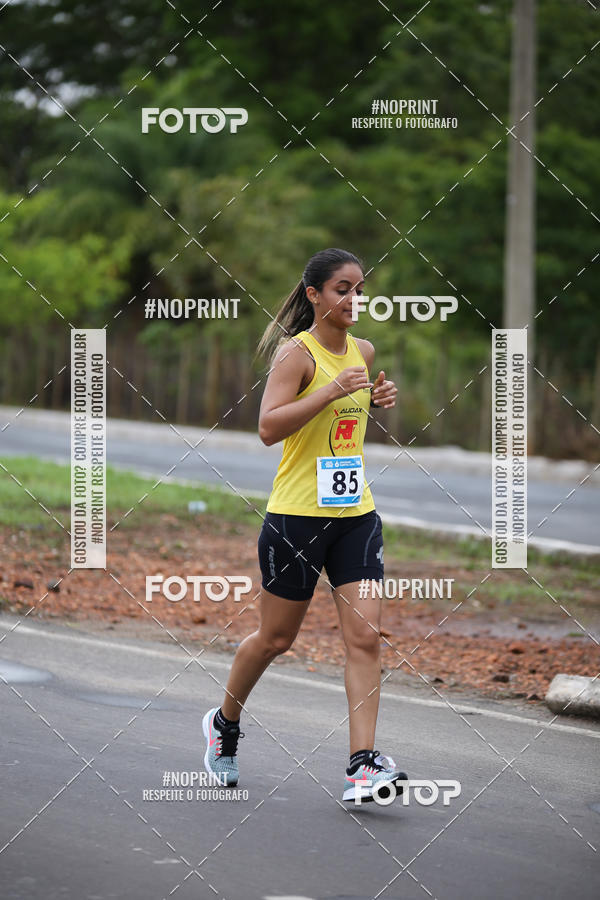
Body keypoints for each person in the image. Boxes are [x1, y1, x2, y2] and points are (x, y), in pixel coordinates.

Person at [203, 248, 408, 803]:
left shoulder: (364, 352)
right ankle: (223, 724)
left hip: (355, 517)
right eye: (343, 289)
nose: (355, 299)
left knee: (365, 637)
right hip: (296, 518)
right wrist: (330, 391)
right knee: (276, 638)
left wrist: (373, 400)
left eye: (360, 289)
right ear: (315, 295)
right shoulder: (296, 353)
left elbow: (343, 427)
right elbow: (268, 428)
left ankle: (362, 766)